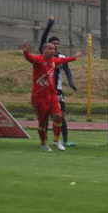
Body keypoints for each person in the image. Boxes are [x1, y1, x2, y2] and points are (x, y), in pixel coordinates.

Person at [23, 41, 82, 152]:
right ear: (44, 50)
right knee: (42, 122)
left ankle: (56, 141)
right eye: (50, 48)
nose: (52, 51)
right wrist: (26, 52)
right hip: (39, 96)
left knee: (58, 116)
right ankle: (43, 143)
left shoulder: (54, 61)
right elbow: (29, 58)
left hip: (52, 95)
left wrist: (74, 57)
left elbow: (64, 60)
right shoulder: (38, 60)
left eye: (53, 49)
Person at [39, 15, 78, 147]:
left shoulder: (61, 57)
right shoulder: (44, 56)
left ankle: (64, 141)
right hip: (44, 90)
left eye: (57, 44)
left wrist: (71, 83)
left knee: (61, 115)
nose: (55, 47)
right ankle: (44, 141)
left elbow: (67, 70)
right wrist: (50, 25)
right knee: (44, 118)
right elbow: (43, 39)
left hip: (58, 90)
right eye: (53, 44)